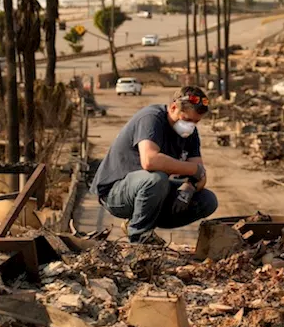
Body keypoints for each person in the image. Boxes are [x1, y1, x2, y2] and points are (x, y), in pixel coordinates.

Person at [91, 86, 219, 244]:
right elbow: (150, 161)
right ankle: (139, 237)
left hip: (149, 192)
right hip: (116, 192)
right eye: (187, 119)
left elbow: (201, 175)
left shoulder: (190, 134)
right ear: (173, 107)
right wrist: (193, 170)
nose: (191, 125)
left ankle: (140, 223)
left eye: (196, 122)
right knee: (156, 179)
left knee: (207, 200)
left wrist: (190, 188)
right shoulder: (151, 118)